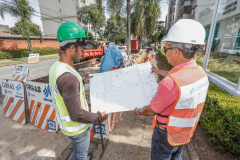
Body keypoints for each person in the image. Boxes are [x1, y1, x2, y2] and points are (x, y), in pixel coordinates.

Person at [133, 19, 209, 160]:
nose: (164, 52)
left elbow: (151, 110)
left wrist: (138, 111)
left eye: (165, 49)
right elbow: (177, 80)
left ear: (175, 52)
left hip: (165, 135)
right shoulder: (200, 73)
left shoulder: (170, 83)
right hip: (184, 132)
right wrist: (157, 70)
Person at [49, 22, 108, 160]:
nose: (84, 52)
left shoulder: (56, 67)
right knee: (80, 156)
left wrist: (82, 81)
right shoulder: (68, 78)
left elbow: (63, 89)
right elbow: (76, 114)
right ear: (71, 48)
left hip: (67, 127)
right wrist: (98, 117)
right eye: (81, 49)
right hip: (78, 129)